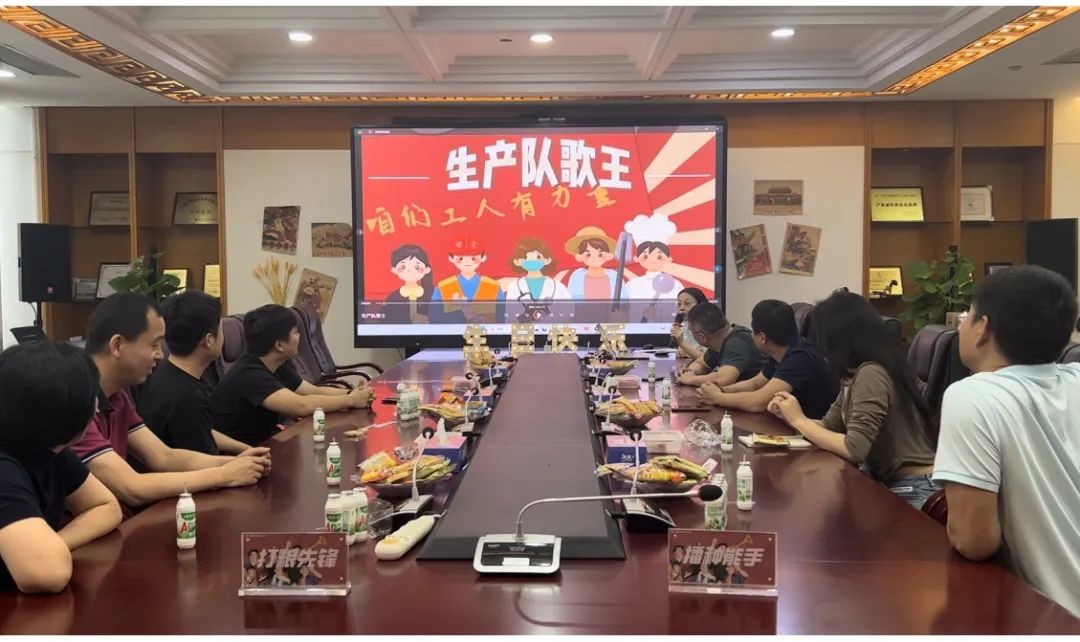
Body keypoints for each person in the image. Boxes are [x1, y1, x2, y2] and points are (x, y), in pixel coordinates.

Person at [932, 266, 1080, 617]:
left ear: (982, 328)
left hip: (1056, 618)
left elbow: (974, 540)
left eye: (967, 315)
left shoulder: (973, 396)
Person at [70, 293, 271, 509]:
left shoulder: (116, 396)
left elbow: (163, 456)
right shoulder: (73, 402)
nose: (160, 355)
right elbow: (132, 488)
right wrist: (225, 475)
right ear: (117, 345)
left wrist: (238, 462)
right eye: (154, 345)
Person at [766, 291, 938, 509]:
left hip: (912, 488)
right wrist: (789, 415)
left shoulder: (872, 373)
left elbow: (854, 448)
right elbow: (829, 426)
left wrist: (799, 420)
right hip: (887, 481)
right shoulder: (854, 374)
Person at [0, 342, 122, 593]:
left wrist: (54, 544)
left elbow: (106, 506)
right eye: (91, 398)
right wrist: (46, 553)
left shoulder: (52, 450)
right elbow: (47, 573)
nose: (97, 406)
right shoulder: (4, 469)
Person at [211, 304, 374, 446]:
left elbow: (311, 391)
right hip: (239, 455)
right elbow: (300, 406)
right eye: (295, 332)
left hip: (266, 444)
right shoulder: (249, 374)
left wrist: (353, 393)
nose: (299, 336)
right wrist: (351, 400)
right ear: (279, 345)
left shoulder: (276, 363)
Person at [135, 291, 258, 456]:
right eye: (220, 329)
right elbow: (207, 461)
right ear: (209, 340)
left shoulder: (161, 372)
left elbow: (202, 430)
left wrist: (245, 449)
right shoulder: (189, 397)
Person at [697, 300, 838, 418]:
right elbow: (755, 384)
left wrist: (718, 397)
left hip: (815, 432)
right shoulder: (780, 352)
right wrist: (721, 390)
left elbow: (757, 403)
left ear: (762, 338)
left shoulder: (801, 358)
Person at [676, 302, 765, 387]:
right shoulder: (719, 341)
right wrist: (690, 372)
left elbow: (723, 379)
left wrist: (691, 379)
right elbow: (701, 363)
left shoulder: (736, 343)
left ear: (702, 337)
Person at [429, 237, 505, 323]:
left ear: (483, 258)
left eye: (473, 258)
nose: (467, 262)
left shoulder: (494, 286)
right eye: (460, 259)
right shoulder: (442, 287)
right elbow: (434, 319)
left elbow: (502, 318)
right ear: (451, 258)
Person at [504, 237, 572, 303]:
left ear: (547, 260)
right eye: (525, 257)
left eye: (538, 257)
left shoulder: (557, 286)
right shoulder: (514, 286)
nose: (531, 260)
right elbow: (511, 309)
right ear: (517, 262)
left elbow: (568, 307)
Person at [563, 227, 624, 300]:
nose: (594, 258)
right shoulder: (577, 275)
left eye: (600, 255)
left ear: (608, 255)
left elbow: (623, 298)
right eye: (588, 255)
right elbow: (572, 298)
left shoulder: (614, 276)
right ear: (580, 256)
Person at [384, 244, 434, 324]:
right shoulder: (393, 297)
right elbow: (385, 320)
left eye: (417, 267)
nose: (410, 270)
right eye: (403, 267)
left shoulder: (431, 295)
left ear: (427, 269)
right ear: (394, 270)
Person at [670, 287, 708, 360]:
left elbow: (707, 359)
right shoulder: (687, 324)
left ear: (700, 304)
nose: (681, 308)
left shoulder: (709, 325)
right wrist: (681, 348)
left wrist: (683, 344)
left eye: (687, 303)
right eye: (679, 304)